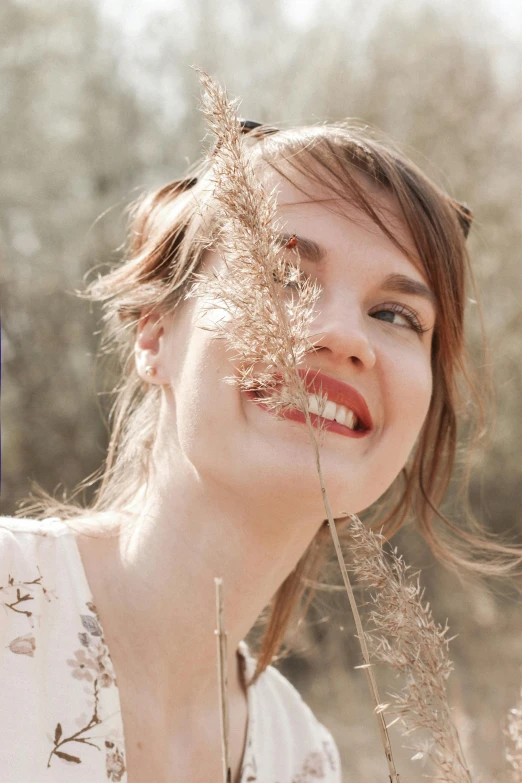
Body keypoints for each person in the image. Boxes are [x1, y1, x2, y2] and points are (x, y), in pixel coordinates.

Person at [1, 116, 518, 783]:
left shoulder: (300, 756)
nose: (343, 335)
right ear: (156, 333)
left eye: (395, 315)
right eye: (282, 275)